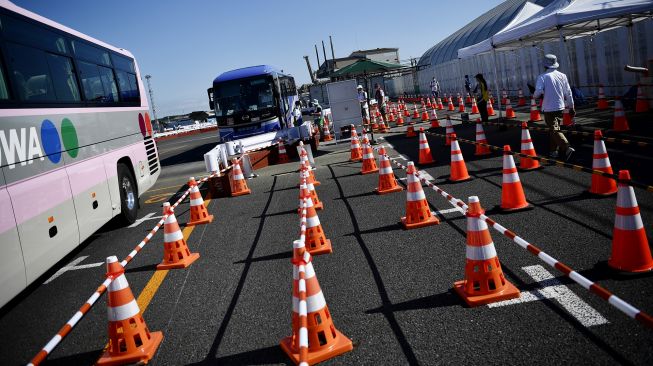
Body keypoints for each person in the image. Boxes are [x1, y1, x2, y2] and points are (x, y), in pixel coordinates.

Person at [532, 54, 576, 160]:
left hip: (548, 108)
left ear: (545, 65)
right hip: (560, 107)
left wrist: (534, 96)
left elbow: (538, 92)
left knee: (554, 129)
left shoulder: (542, 77)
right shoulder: (562, 76)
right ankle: (553, 151)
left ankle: (567, 147)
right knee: (554, 128)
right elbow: (568, 93)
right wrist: (571, 107)